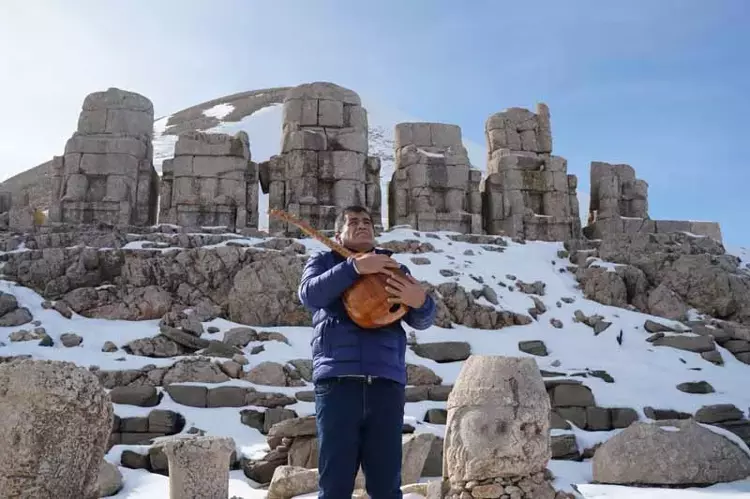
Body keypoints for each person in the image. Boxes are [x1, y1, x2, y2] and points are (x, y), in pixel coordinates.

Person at [298, 205, 437, 498]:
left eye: (367, 222)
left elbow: (421, 320)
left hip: (386, 382)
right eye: (353, 222)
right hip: (338, 381)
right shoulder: (324, 261)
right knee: (335, 484)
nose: (362, 226)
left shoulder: (394, 268)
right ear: (338, 235)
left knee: (386, 485)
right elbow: (310, 295)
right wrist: (354, 268)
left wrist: (421, 302)